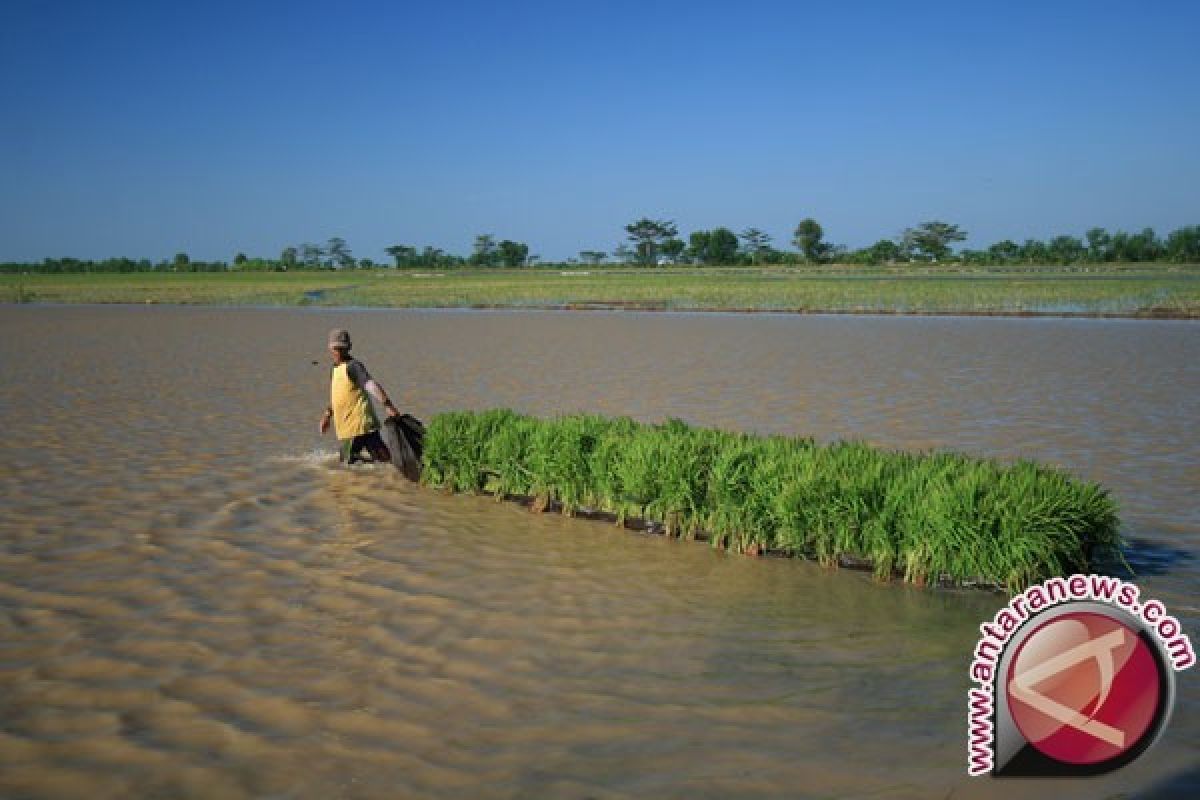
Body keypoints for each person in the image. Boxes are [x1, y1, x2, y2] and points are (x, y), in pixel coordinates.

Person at [318, 328, 400, 464]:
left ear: (349, 348)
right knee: (385, 462)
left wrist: (388, 405)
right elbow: (337, 396)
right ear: (330, 348)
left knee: (344, 466)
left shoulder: (354, 366)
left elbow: (370, 384)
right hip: (353, 427)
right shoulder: (335, 369)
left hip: (357, 426)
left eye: (342, 348)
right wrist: (327, 416)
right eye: (336, 348)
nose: (339, 352)